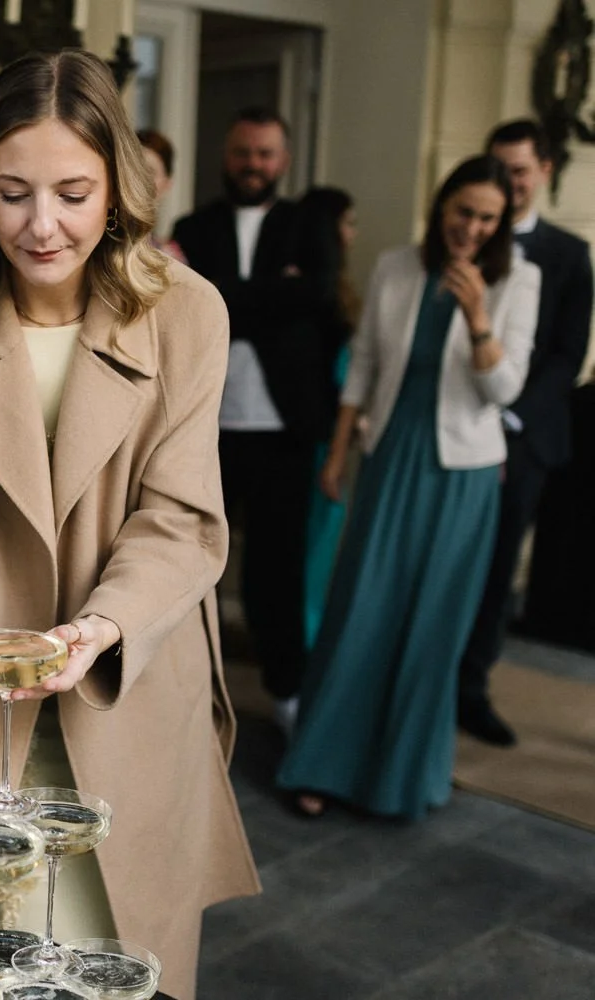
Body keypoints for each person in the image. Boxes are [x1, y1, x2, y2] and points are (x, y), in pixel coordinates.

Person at [0, 50, 259, 1000]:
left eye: (72, 192)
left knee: (123, 966)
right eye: (12, 192)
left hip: (131, 680)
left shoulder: (190, 316)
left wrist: (98, 628)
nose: (41, 225)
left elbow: (181, 518)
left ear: (117, 189)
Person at [278, 156, 539, 820]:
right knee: (361, 609)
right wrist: (336, 455)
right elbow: (363, 365)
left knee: (431, 624)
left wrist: (480, 315)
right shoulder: (397, 265)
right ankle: (320, 766)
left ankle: (399, 780)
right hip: (392, 456)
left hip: (464, 476)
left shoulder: (519, 280)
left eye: (487, 218)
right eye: (463, 212)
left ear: (500, 222)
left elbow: (504, 391)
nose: (472, 228)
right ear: (442, 206)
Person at [171, 108, 342, 738]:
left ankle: (288, 696)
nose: (253, 165)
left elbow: (317, 297)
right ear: (226, 155)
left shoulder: (308, 223)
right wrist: (274, 292)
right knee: (190, 562)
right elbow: (185, 308)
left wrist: (226, 295)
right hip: (204, 428)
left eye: (265, 154)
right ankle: (188, 694)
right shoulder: (196, 224)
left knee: (278, 569)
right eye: (244, 152)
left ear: (284, 160)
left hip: (285, 430)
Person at [457, 119, 594, 747]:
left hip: (526, 436)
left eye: (519, 170)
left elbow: (567, 355)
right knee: (449, 566)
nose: (509, 183)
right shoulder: (464, 236)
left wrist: (510, 418)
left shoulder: (568, 254)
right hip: (458, 430)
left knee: (495, 572)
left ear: (543, 172)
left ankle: (473, 690)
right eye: (499, 167)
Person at [296, 186, 361, 648]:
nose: (352, 234)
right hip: (317, 433)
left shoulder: (342, 289)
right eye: (347, 222)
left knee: (317, 549)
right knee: (310, 551)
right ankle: (305, 644)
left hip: (332, 431)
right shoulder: (316, 291)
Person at [136, 127, 184, 260]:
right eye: (134, 168)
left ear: (167, 184)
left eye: (150, 171)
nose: (140, 178)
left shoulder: (170, 257)